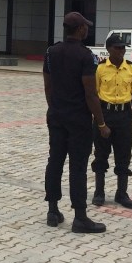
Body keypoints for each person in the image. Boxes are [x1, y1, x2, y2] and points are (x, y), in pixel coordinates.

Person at [43, 12, 111, 233]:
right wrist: (101, 123)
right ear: (80, 29)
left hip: (56, 116)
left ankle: (53, 211)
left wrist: (55, 108)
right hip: (78, 120)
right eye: (86, 26)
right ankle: (80, 217)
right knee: (78, 166)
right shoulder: (86, 56)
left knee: (55, 161)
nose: (87, 29)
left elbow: (48, 86)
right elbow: (90, 93)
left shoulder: (51, 52)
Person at [92, 34, 132, 209]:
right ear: (108, 49)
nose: (121, 51)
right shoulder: (100, 69)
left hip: (124, 116)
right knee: (101, 154)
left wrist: (124, 107)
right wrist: (101, 121)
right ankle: (99, 192)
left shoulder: (131, 69)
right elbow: (94, 94)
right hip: (104, 114)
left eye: (123, 48)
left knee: (124, 155)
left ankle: (122, 193)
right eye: (117, 47)